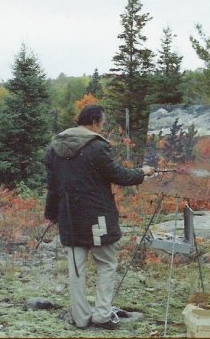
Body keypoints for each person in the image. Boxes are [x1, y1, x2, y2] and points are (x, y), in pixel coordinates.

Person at [44, 105, 154, 330]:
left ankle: (81, 317)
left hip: (70, 219)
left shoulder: (55, 148)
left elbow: (52, 187)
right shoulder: (96, 146)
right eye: (102, 123)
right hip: (97, 218)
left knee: (76, 270)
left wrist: (52, 214)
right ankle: (102, 315)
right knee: (106, 263)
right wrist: (142, 172)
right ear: (94, 122)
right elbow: (119, 175)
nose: (103, 127)